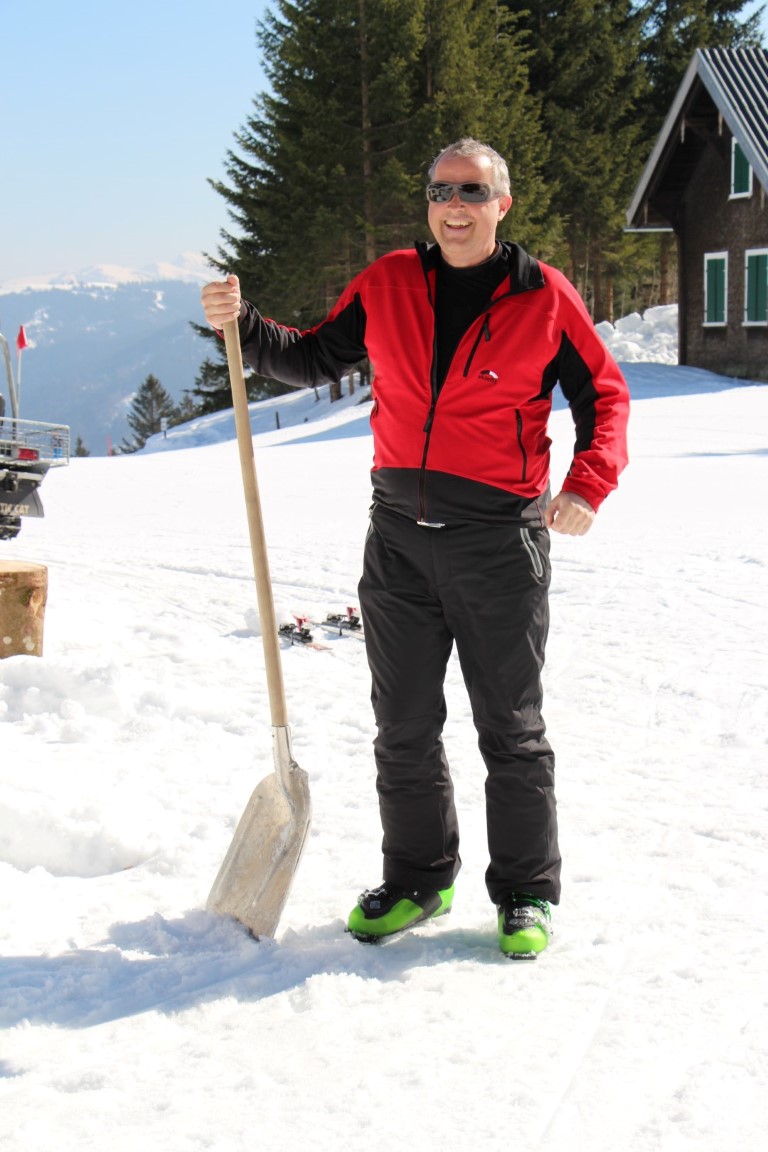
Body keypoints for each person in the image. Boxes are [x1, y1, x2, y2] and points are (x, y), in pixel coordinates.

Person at [201, 138, 629, 959]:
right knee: (401, 726)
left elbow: (604, 398)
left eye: (471, 192)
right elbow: (312, 357)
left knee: (510, 729)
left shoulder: (544, 297)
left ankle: (527, 895)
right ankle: (417, 879)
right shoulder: (389, 281)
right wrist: (242, 326)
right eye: (441, 191)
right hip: (398, 537)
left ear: (502, 204)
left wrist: (585, 486)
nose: (454, 207)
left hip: (498, 542)